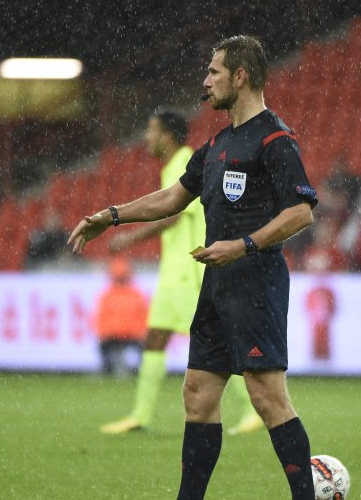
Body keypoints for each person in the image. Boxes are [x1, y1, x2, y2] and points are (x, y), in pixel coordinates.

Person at [69, 35, 318, 499]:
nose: (205, 82)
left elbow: (302, 211)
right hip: (217, 285)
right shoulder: (219, 143)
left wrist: (243, 245)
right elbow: (171, 198)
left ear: (240, 77)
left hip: (256, 283)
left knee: (268, 399)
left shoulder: (275, 138)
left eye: (213, 72)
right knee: (198, 395)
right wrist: (110, 215)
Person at [99, 108, 262, 436]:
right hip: (174, 273)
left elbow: (174, 212)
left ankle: (256, 408)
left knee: (221, 340)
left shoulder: (186, 162)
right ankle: (140, 415)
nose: (147, 137)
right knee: (155, 340)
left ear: (167, 135)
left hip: (190, 271)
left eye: (151, 130)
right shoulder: (175, 164)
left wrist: (129, 235)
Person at [93, 256, 148, 376]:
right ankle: (109, 370)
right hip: (114, 336)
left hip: (131, 336)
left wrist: (140, 334)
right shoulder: (109, 295)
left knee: (144, 349)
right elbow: (101, 319)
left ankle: (134, 371)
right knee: (105, 347)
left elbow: (143, 317)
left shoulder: (134, 294)